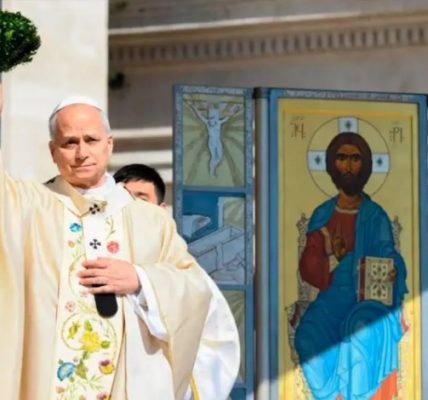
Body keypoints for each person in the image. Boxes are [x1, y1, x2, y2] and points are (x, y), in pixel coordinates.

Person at [0, 96, 239, 400]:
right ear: (52, 150)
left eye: (91, 140)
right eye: (70, 142)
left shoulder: (150, 218)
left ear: (109, 144)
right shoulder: (28, 206)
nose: (82, 153)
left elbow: (194, 288)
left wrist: (141, 279)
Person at [294, 132, 407, 400]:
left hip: (366, 301)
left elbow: (388, 255)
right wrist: (330, 253)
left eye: (355, 159)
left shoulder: (375, 216)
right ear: (332, 165)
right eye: (341, 158)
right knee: (306, 336)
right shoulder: (323, 214)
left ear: (364, 166)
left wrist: (394, 270)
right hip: (332, 299)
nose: (347, 165)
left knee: (361, 332)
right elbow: (309, 268)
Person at [114, 163, 241, 399]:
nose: (134, 209)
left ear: (162, 211)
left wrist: (142, 281)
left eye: (141, 200)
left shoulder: (183, 271)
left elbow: (214, 339)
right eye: (126, 200)